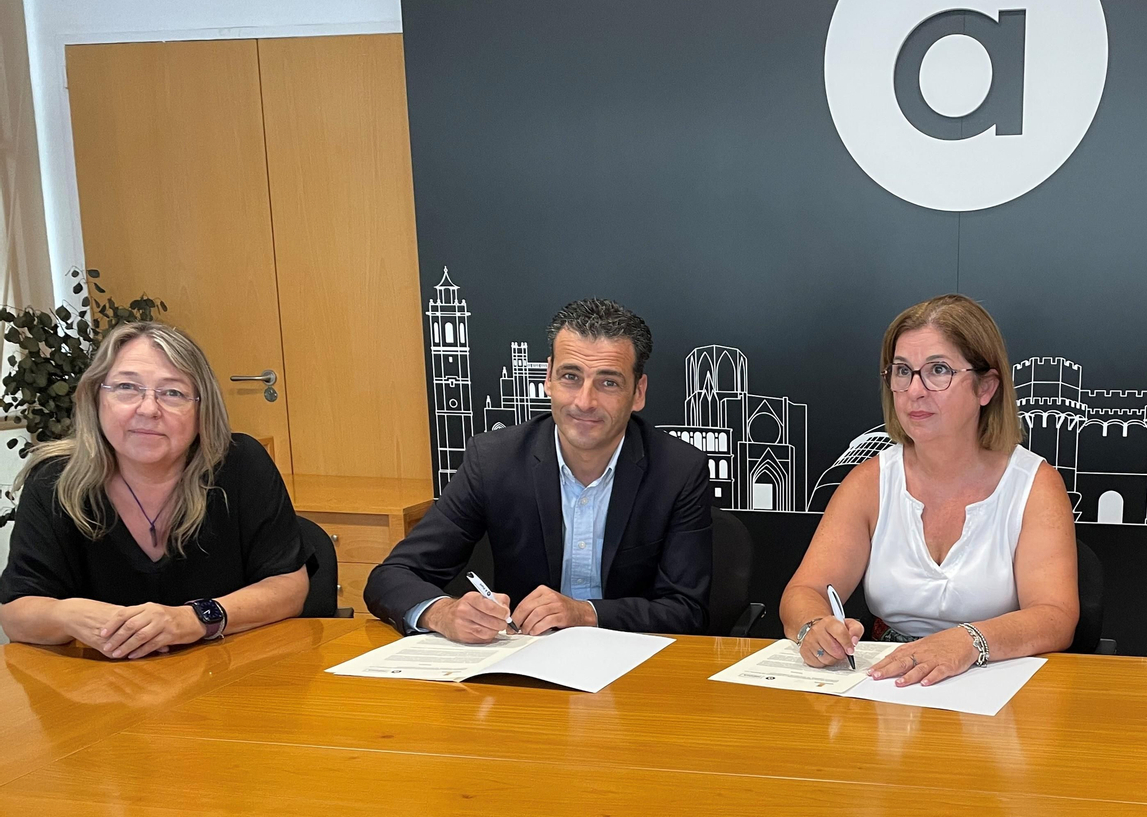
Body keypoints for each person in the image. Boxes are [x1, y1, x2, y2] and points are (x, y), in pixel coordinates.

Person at [365, 298, 712, 640]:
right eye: (570, 376)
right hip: (522, 661)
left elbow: (686, 610)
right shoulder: (493, 460)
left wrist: (586, 613)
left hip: (632, 667)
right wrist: (442, 613)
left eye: (608, 382)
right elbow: (392, 576)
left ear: (638, 392)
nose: (584, 402)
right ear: (548, 378)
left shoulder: (678, 470)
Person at [779, 294, 1078, 687]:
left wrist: (966, 642)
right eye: (902, 371)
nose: (914, 391)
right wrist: (813, 628)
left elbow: (1055, 615)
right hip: (889, 681)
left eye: (938, 370)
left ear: (986, 387)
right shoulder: (869, 481)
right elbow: (805, 590)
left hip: (995, 680)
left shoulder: (1034, 484)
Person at [0, 322, 311, 658]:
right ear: (96, 398)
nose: (148, 409)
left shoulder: (239, 464)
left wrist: (195, 619)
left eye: (172, 393)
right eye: (126, 388)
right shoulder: (54, 480)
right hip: (101, 689)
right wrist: (69, 615)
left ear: (201, 409)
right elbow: (17, 614)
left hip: (226, 676)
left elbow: (288, 588)